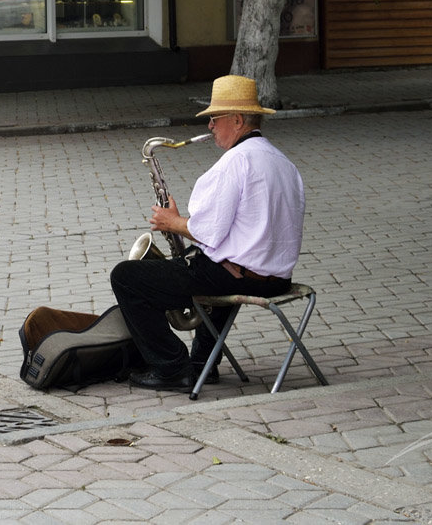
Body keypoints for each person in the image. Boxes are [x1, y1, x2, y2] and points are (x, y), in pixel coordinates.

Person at [109, 75, 305, 391]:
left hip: (241, 275)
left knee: (126, 277)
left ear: (238, 120)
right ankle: (202, 365)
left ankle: (171, 367)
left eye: (215, 118)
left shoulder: (235, 163)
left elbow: (207, 232)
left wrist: (171, 222)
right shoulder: (283, 163)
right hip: (277, 278)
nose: (210, 126)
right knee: (209, 262)